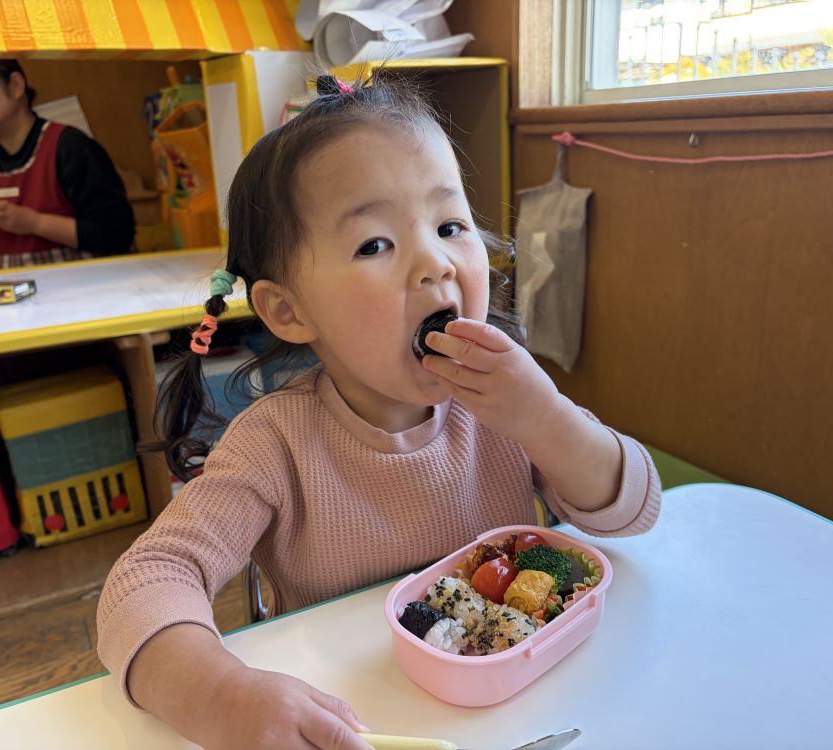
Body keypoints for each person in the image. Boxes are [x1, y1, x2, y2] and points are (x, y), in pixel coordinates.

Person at [97, 74, 662, 750]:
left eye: (450, 224)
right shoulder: (275, 444)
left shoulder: (506, 408)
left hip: (530, 701)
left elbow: (635, 513)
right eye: (375, 244)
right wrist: (219, 694)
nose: (434, 261)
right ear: (289, 311)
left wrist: (545, 417)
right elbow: (146, 580)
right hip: (363, 723)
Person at [0, 59, 135, 267]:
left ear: (15, 86)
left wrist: (34, 223)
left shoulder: (70, 147)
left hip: (83, 290)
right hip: (17, 290)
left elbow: (117, 236)